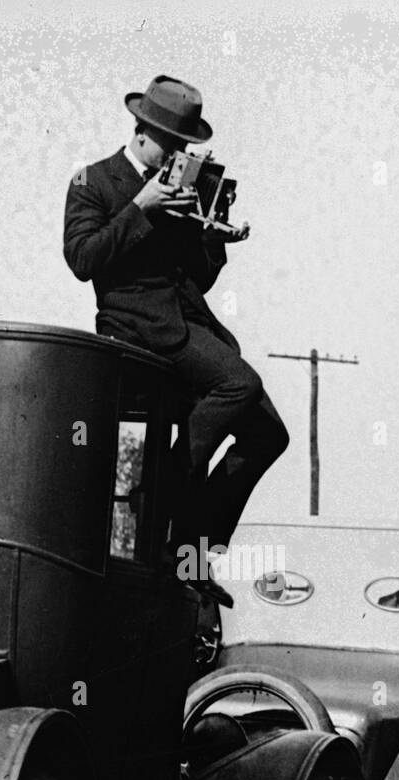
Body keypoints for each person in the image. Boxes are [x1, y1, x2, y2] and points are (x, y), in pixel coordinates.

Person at [63, 74, 288, 607]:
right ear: (141, 131)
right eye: (172, 143)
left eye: (185, 146)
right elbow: (82, 260)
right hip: (137, 327)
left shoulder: (179, 183)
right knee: (239, 384)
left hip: (188, 325)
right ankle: (168, 502)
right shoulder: (92, 181)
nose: (180, 155)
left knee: (268, 435)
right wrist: (140, 206)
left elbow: (196, 279)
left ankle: (191, 553)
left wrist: (214, 236)